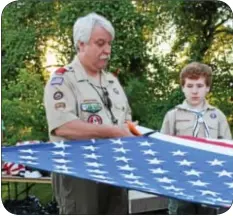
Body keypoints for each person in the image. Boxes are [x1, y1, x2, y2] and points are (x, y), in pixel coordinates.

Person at [44, 12, 133, 214]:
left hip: (115, 167)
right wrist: (114, 132)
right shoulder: (62, 80)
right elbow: (64, 127)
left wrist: (137, 135)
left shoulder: (112, 81)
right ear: (81, 44)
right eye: (100, 43)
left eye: (109, 44)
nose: (107, 50)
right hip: (79, 172)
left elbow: (126, 121)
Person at [160, 62, 232, 215]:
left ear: (207, 88)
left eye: (199, 86)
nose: (194, 91)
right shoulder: (173, 115)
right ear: (183, 88)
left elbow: (227, 149)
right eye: (190, 86)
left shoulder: (217, 116)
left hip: (210, 181)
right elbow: (162, 149)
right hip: (181, 183)